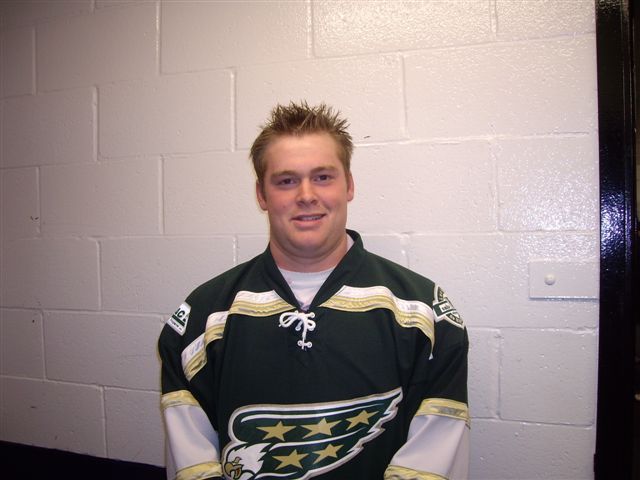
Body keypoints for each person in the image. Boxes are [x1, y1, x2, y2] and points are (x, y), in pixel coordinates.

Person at [158, 102, 469, 480]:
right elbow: (192, 463)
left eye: (322, 177)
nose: (306, 195)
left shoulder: (424, 314)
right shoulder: (203, 317)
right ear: (261, 194)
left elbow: (431, 460)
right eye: (286, 181)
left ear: (349, 185)